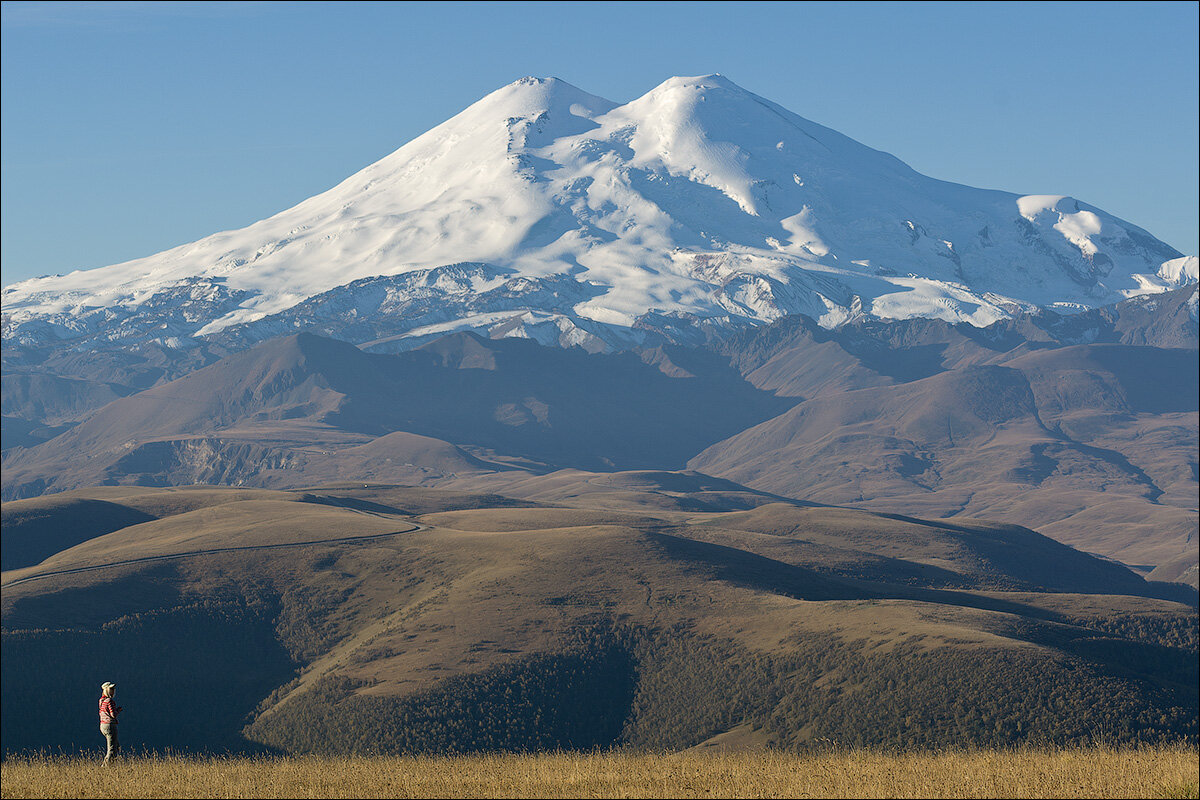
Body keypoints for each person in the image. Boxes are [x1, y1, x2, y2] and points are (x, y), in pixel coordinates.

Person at [98, 681, 122, 765]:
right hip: (110, 725)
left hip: (103, 725)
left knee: (115, 746)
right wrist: (118, 710)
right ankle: (106, 767)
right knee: (112, 748)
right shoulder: (110, 701)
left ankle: (110, 764)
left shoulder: (101, 701)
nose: (113, 691)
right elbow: (113, 715)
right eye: (111, 689)